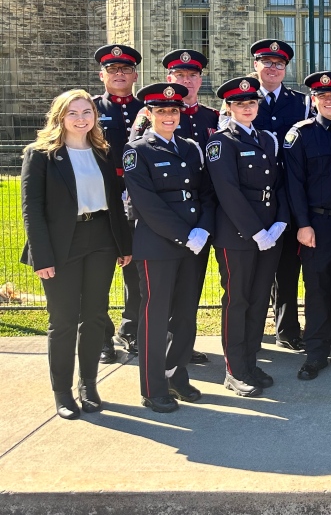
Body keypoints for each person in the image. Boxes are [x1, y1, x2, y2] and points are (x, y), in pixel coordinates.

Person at [21, 89, 133, 419]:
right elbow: (32, 209)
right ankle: (62, 392)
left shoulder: (102, 151)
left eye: (87, 112)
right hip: (60, 243)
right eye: (73, 113)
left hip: (101, 238)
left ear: (94, 117)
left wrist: (123, 245)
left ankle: (88, 385)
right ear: (60, 117)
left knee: (96, 316)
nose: (81, 118)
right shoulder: (40, 154)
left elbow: (115, 202)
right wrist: (42, 256)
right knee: (64, 321)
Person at [122, 83, 215, 413]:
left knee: (186, 315)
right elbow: (147, 205)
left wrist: (203, 228)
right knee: (156, 316)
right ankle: (152, 386)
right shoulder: (137, 150)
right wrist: (185, 234)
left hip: (193, 244)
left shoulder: (190, 148)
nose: (168, 116)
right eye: (161, 111)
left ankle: (176, 373)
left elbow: (205, 192)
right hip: (158, 245)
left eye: (173, 110)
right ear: (148, 114)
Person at [207, 76, 290, 397]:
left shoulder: (268, 139)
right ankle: (233, 368)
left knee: (257, 301)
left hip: (270, 234)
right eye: (239, 104)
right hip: (238, 236)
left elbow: (280, 184)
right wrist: (256, 231)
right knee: (237, 300)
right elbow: (227, 192)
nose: (247, 108)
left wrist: (281, 222)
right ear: (228, 107)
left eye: (251, 102)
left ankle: (250, 362)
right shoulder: (221, 142)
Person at [282, 71, 331, 381]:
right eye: (322, 96)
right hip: (316, 224)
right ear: (313, 100)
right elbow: (294, 185)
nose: (329, 100)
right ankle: (315, 352)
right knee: (316, 289)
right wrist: (302, 224)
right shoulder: (299, 135)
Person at [161, 48, 220, 365]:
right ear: (170, 79)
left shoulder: (212, 117)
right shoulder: (152, 116)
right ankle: (164, 345)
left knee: (192, 284)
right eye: (180, 75)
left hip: (205, 213)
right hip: (170, 216)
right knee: (166, 284)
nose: (187, 80)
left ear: (200, 79)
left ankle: (183, 344)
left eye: (192, 75)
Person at [250, 39, 308, 353]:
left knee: (287, 265)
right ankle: (253, 327)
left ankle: (287, 329)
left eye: (279, 63)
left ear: (285, 68)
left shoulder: (301, 103)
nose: (273, 68)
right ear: (256, 65)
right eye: (267, 62)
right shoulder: (242, 100)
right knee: (254, 268)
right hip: (254, 198)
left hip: (289, 193)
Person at [92, 43, 142, 364]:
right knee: (98, 271)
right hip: (103, 199)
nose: (119, 74)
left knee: (136, 270)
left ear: (135, 74)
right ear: (102, 75)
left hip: (139, 200)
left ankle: (132, 328)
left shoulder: (146, 108)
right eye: (113, 70)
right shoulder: (92, 108)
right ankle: (101, 335)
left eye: (125, 69)